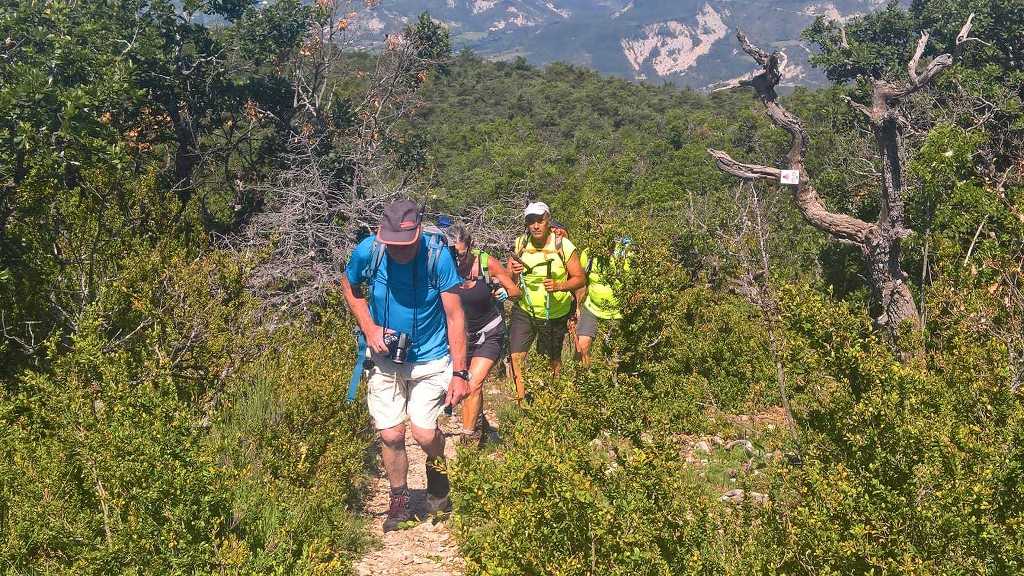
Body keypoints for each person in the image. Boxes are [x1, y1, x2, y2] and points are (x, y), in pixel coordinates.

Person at [340, 200, 470, 532]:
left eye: (405, 245)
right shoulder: (370, 250)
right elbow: (349, 286)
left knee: (424, 434)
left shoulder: (436, 256)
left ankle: (438, 474)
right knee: (391, 433)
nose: (398, 251)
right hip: (386, 357)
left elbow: (455, 316)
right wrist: (369, 328)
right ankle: (399, 501)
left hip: (431, 356)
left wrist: (459, 373)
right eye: (392, 244)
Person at [446, 225, 521, 446]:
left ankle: (469, 443)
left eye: (460, 254)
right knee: (465, 389)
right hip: (461, 338)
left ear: (469, 247)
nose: (456, 260)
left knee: (472, 383)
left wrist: (506, 292)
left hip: (490, 332)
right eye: (452, 254)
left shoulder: (487, 264)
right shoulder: (442, 266)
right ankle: (483, 428)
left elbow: (516, 291)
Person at [506, 202, 586, 403]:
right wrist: (512, 273)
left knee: (551, 361)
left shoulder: (563, 245)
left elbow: (580, 278)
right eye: (531, 221)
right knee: (516, 357)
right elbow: (510, 281)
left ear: (547, 220)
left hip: (554, 313)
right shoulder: (521, 244)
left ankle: (550, 400)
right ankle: (522, 402)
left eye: (540, 220)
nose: (535, 225)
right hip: (525, 310)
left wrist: (559, 286)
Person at [575, 237, 631, 367]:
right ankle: (583, 379)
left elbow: (635, 285)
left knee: (614, 356)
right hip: (591, 308)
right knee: (581, 346)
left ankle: (610, 383)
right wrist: (577, 307)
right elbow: (582, 282)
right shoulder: (589, 253)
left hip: (617, 312)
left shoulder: (627, 255)